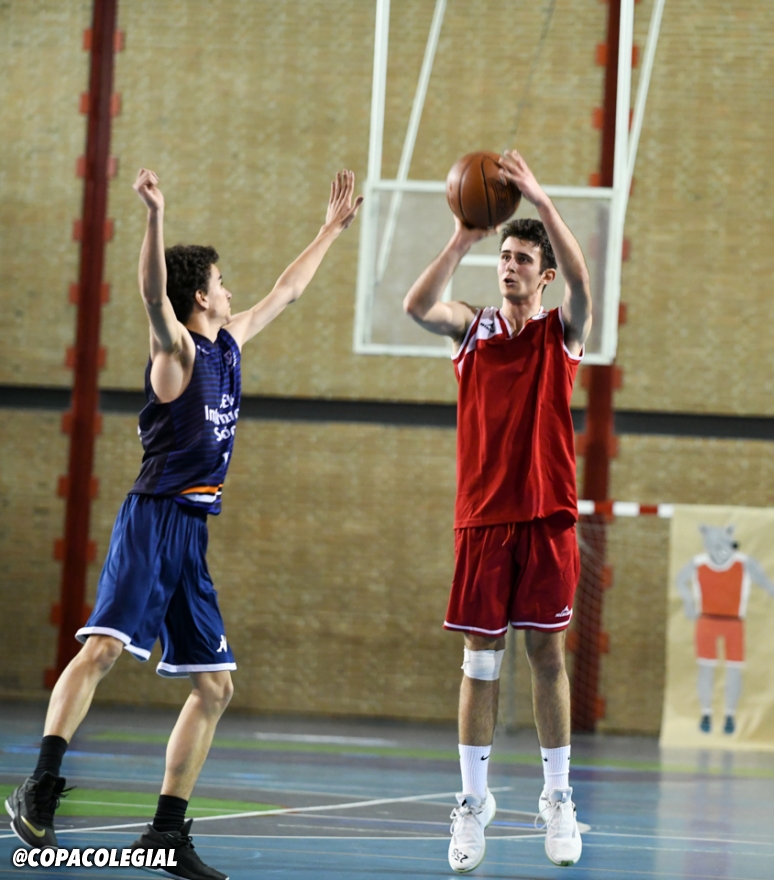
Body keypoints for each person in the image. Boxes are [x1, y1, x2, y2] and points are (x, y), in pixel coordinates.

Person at [5, 167, 362, 880]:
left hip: (192, 533)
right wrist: (153, 216)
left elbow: (287, 291)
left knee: (216, 687)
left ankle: (165, 834)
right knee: (103, 650)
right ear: (200, 295)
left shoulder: (230, 343)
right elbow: (151, 295)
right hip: (153, 520)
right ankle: (38, 786)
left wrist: (329, 230)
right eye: (222, 283)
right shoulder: (179, 354)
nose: (231, 291)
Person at [403, 150, 591, 873]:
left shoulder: (561, 332)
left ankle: (558, 797)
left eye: (522, 260)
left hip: (546, 517)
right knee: (480, 661)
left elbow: (584, 281)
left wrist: (540, 200)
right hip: (482, 519)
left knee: (546, 655)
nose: (509, 267)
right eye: (504, 257)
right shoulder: (473, 329)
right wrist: (463, 237)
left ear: (544, 277)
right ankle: (472, 804)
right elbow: (417, 306)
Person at [675, 523, 774, 735]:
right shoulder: (698, 563)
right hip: (707, 621)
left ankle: (730, 714)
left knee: (734, 669)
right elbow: (680, 580)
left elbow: (766, 584)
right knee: (706, 668)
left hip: (734, 622)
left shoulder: (744, 563)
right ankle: (706, 712)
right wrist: (688, 602)